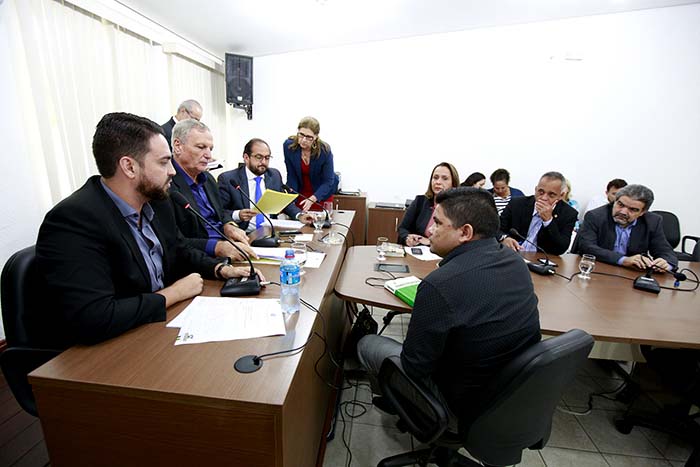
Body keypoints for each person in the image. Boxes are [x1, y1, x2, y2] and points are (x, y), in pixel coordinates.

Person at [35, 112, 263, 349]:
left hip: (155, 330)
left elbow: (180, 249)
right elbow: (93, 317)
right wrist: (173, 293)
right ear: (129, 167)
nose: (172, 171)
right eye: (164, 162)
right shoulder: (74, 220)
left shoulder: (157, 202)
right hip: (110, 350)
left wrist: (220, 269)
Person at [357, 187, 541, 424]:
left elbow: (414, 366)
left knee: (368, 344)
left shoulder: (439, 285)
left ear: (465, 232)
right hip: (510, 395)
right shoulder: (516, 262)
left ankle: (406, 404)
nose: (430, 231)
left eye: (437, 223)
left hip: (460, 407)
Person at [168, 119, 254, 261]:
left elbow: (220, 213)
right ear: (178, 146)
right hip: (198, 260)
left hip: (229, 249)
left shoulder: (208, 178)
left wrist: (229, 225)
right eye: (201, 147)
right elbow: (173, 240)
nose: (208, 155)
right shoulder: (166, 183)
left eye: (210, 149)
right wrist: (217, 247)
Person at [218, 138, 313, 232]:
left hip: (270, 232)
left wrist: (300, 215)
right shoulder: (228, 179)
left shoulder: (274, 175)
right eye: (259, 157)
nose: (263, 162)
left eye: (267, 158)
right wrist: (237, 215)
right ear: (246, 158)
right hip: (243, 234)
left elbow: (283, 203)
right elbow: (220, 212)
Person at [575, 184, 677, 270]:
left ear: (643, 212)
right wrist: (623, 260)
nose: (623, 212)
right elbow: (587, 247)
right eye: (620, 204)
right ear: (615, 201)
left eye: (632, 209)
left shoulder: (652, 221)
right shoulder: (596, 216)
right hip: (599, 268)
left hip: (631, 274)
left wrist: (666, 264)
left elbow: (666, 251)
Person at [498, 171, 578, 256]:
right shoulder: (517, 204)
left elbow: (560, 249)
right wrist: (504, 238)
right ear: (536, 189)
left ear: (561, 195)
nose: (544, 198)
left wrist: (548, 221)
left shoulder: (569, 214)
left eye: (551, 195)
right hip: (512, 254)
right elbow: (496, 229)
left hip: (541, 258)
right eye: (541, 192)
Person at [283, 116, 338, 212]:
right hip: (301, 191)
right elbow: (291, 175)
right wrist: (292, 200)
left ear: (316, 136)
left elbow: (328, 181)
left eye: (309, 137)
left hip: (320, 193)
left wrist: (313, 198)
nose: (304, 140)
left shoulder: (324, 151)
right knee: (298, 217)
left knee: (320, 219)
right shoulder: (289, 146)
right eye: (301, 135)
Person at [398, 162, 459, 246]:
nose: (438, 182)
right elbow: (402, 228)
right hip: (417, 250)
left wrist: (429, 242)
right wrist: (408, 238)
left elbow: (456, 241)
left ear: (453, 183)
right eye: (435, 178)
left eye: (444, 178)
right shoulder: (420, 201)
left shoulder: (458, 208)